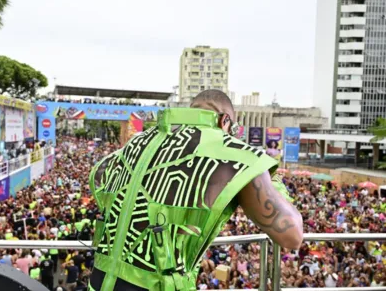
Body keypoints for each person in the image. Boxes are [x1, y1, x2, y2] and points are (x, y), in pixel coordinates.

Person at [88, 89, 303, 291]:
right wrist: (269, 177)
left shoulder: (138, 141)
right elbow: (291, 235)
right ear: (225, 121)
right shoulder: (232, 153)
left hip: (98, 281)